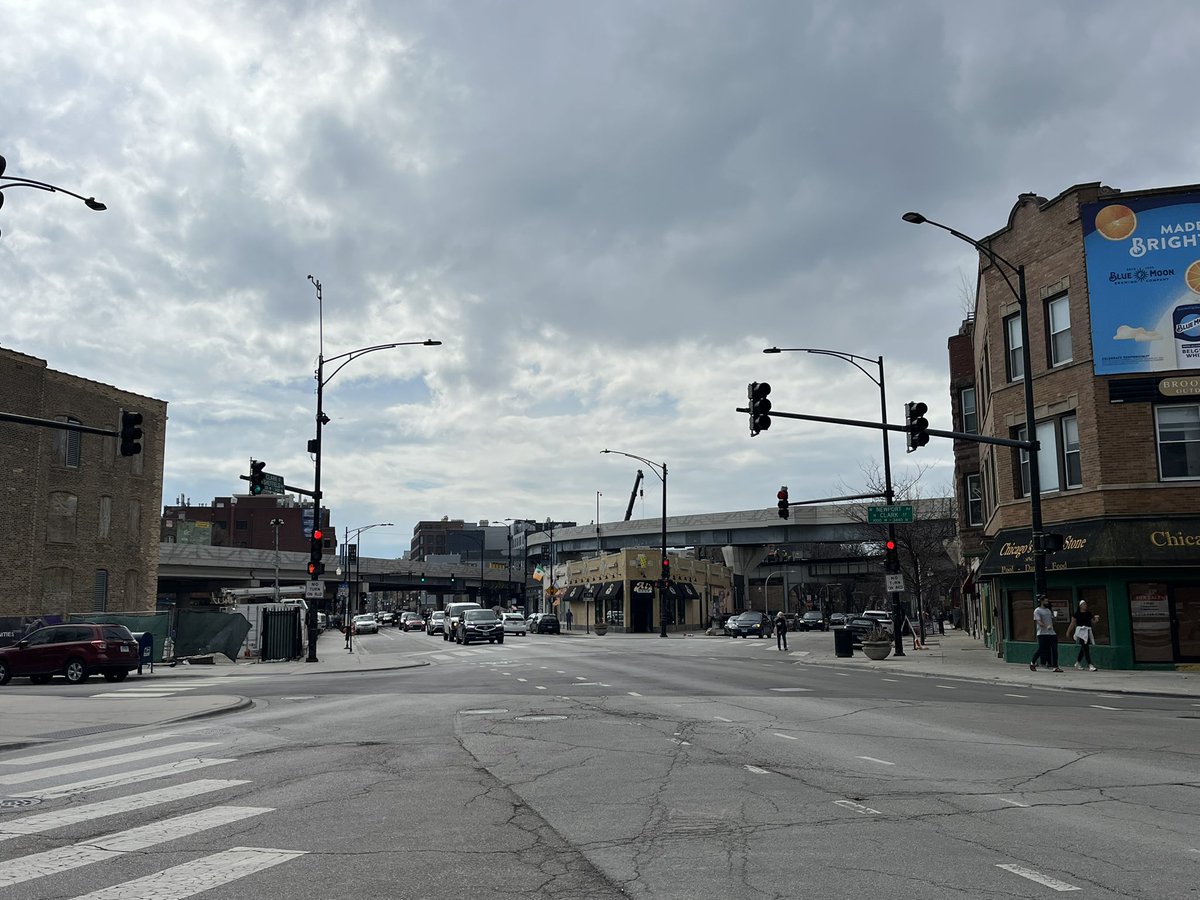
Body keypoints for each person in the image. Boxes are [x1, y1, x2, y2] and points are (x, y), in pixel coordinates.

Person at [1030, 597, 1061, 672]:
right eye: (1046, 601)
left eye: (1047, 600)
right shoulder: (1037, 610)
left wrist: (1055, 618)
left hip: (1052, 633)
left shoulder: (1048, 610)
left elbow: (1052, 620)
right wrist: (1046, 626)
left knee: (1054, 649)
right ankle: (1032, 662)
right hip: (1042, 633)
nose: (1047, 602)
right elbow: (1038, 621)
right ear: (1041, 601)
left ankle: (1055, 666)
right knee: (1042, 650)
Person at [1070, 600, 1099, 671]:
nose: (1085, 605)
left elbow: (1093, 622)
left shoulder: (1089, 613)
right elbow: (1072, 623)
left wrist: (1096, 620)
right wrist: (1068, 632)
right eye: (1084, 604)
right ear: (1080, 606)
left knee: (1084, 648)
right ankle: (1090, 664)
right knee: (1085, 648)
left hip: (1088, 632)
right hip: (1081, 633)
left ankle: (1077, 663)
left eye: (1086, 604)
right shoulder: (1076, 614)